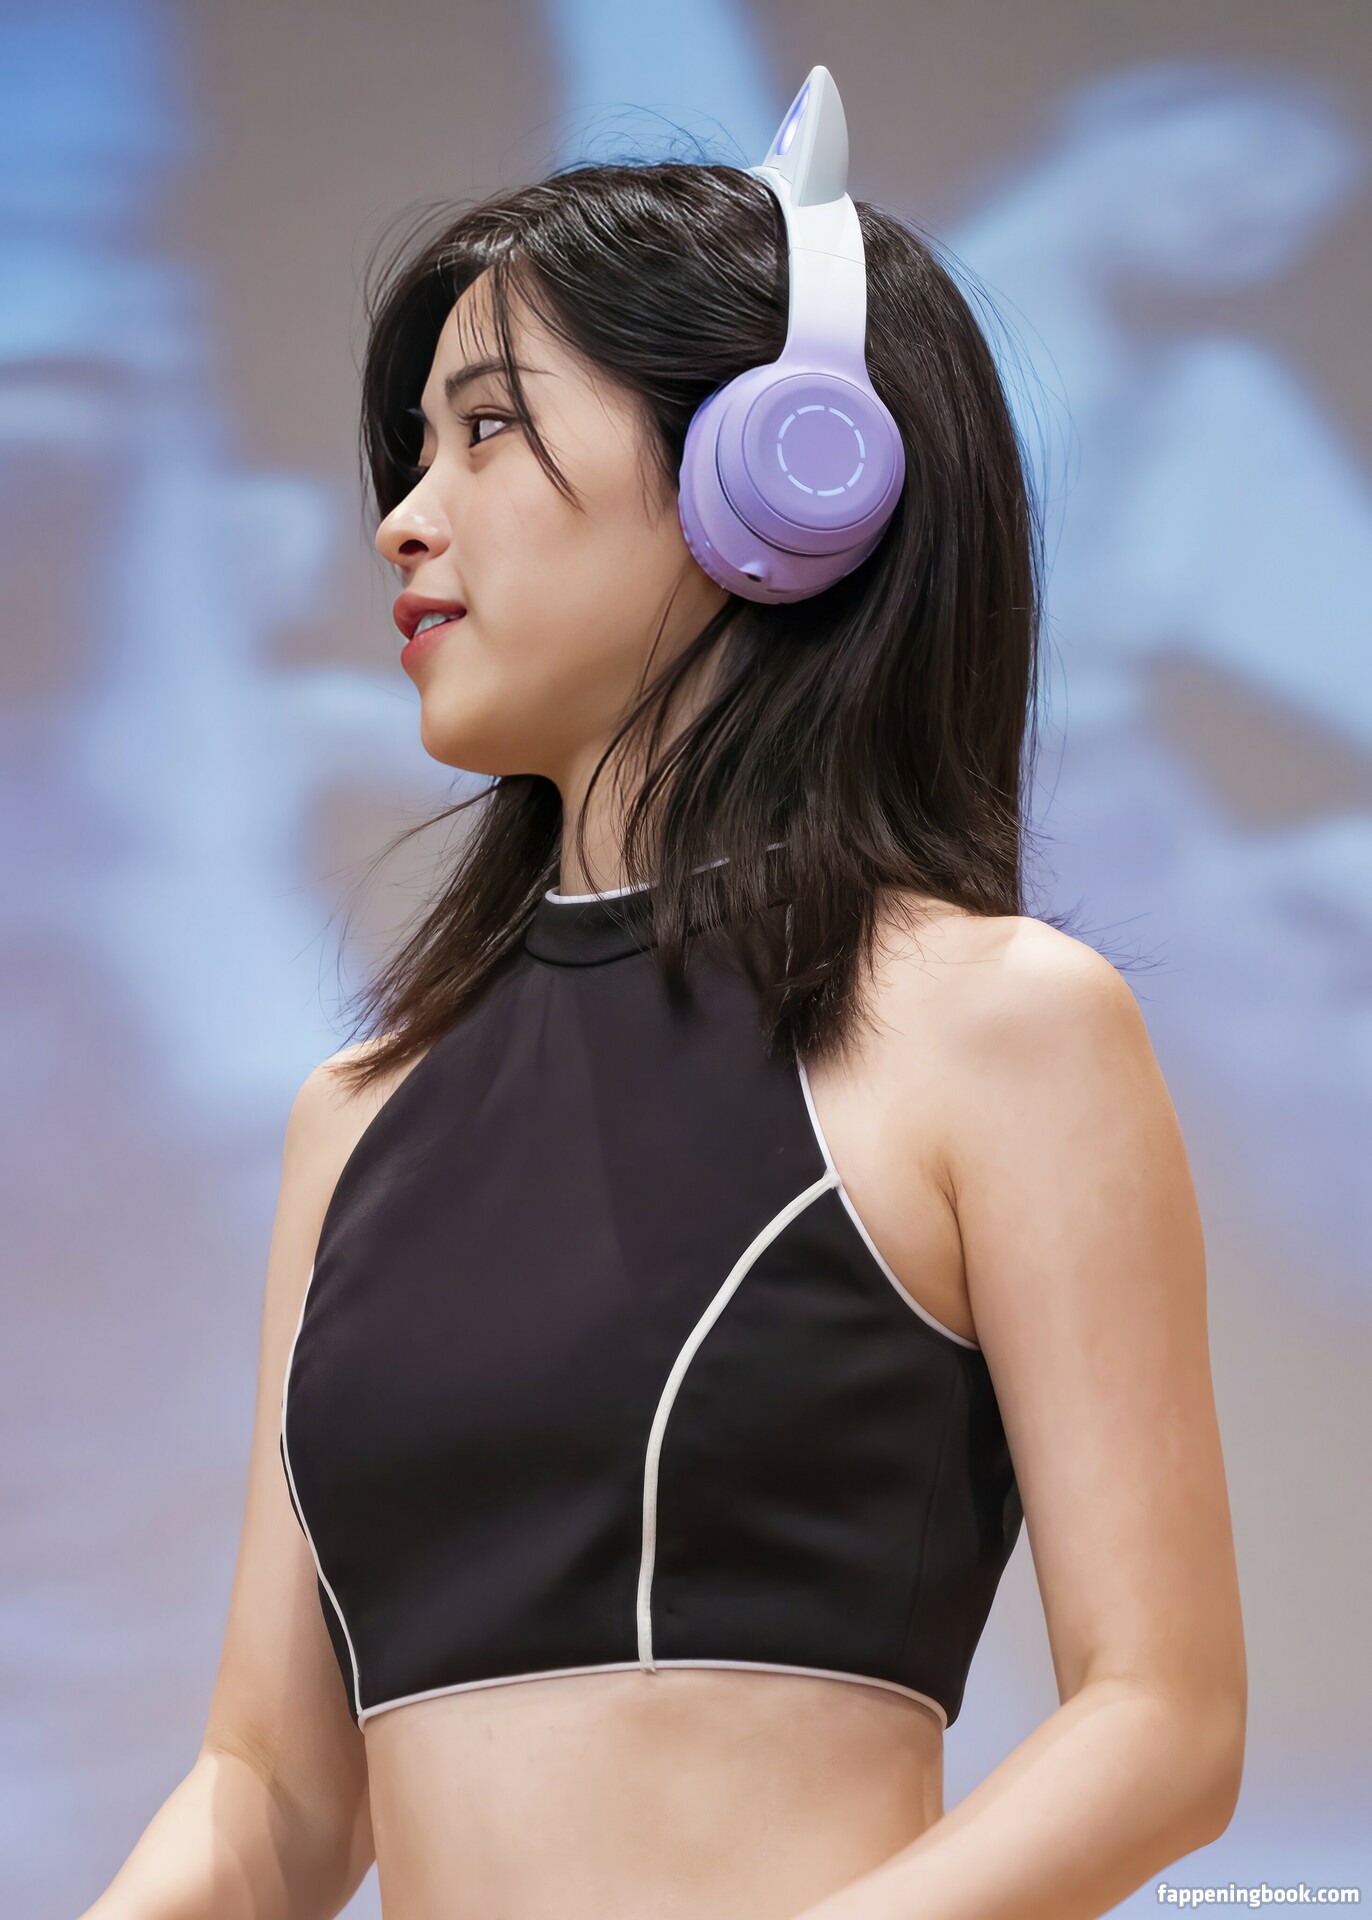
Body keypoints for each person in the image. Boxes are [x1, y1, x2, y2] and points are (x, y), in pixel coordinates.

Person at [82, 153, 1246, 1920]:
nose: (402, 518)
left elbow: (1164, 1722)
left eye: (487, 430)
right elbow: (276, 1795)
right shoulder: (358, 1111)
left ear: (776, 475)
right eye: (412, 451)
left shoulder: (999, 1025)